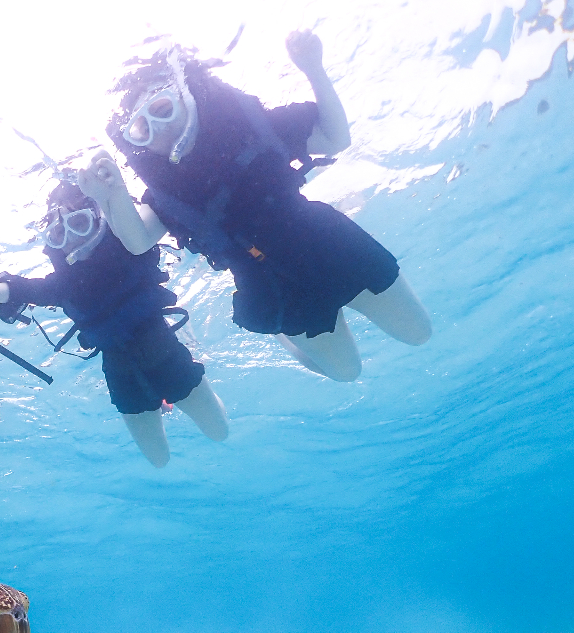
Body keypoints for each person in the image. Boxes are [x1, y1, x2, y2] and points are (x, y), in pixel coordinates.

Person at [81, 31, 431, 382]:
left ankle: (289, 332)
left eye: (162, 109)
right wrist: (106, 197)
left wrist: (313, 69)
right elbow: (138, 240)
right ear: (139, 145)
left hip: (331, 243)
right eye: (142, 129)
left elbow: (336, 138)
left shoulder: (255, 128)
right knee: (346, 373)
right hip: (272, 285)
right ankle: (285, 338)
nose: (161, 128)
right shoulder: (167, 195)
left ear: (187, 97)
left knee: (419, 334)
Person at [0, 180, 228, 467]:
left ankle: (181, 372)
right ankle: (160, 398)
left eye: (80, 224)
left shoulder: (132, 250)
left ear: (99, 218)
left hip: (165, 353)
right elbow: (26, 288)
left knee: (219, 431)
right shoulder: (67, 283)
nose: (72, 238)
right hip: (120, 373)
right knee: (158, 460)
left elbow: (143, 221)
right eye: (60, 233)